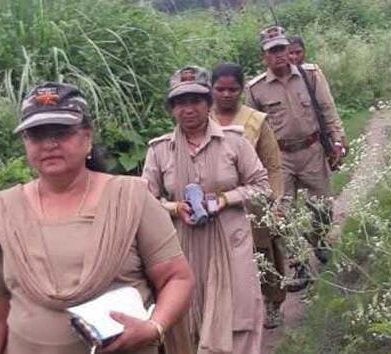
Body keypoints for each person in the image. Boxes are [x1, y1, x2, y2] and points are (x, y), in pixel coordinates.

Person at [0, 82, 194, 354]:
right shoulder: (4, 212)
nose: (49, 144)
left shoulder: (129, 199)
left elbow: (177, 278)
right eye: (37, 135)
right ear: (25, 143)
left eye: (62, 132)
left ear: (87, 137)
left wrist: (154, 327)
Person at [142, 66, 268, 353]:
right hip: (181, 249)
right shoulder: (160, 150)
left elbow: (261, 186)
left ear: (208, 103)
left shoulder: (234, 142)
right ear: (171, 109)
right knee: (187, 319)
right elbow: (145, 202)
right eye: (180, 103)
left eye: (196, 101)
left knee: (238, 316)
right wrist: (174, 207)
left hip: (230, 244)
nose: (188, 109)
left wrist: (224, 199)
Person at [244, 26, 346, 266]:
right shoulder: (255, 89)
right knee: (281, 212)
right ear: (264, 57)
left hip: (312, 150)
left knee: (321, 205)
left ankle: (319, 240)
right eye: (272, 51)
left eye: (282, 48)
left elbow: (328, 109)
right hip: (280, 158)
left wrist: (338, 139)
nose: (279, 54)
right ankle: (297, 261)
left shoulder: (310, 75)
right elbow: (254, 129)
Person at [209, 62, 285, 329]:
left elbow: (273, 166)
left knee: (263, 254)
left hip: (254, 200)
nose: (227, 94)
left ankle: (273, 303)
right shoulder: (202, 119)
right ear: (211, 89)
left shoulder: (256, 120)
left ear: (242, 89)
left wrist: (274, 203)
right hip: (216, 204)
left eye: (233, 89)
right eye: (220, 89)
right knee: (223, 259)